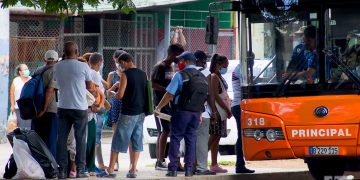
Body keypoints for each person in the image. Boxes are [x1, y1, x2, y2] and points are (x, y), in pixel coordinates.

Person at [155, 51, 208, 177]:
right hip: (195, 113)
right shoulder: (202, 76)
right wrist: (199, 113)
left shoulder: (180, 75)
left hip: (181, 112)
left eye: (180, 61)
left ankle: (172, 168)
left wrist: (158, 107)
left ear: (186, 61)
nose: (178, 63)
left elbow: (169, 94)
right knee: (191, 140)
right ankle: (189, 169)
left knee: (175, 138)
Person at [99, 53, 147, 178]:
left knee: (118, 139)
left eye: (120, 64)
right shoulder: (143, 74)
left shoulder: (126, 75)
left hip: (128, 112)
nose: (119, 66)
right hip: (140, 112)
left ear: (126, 62)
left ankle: (110, 170)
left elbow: (120, 95)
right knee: (136, 140)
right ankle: (133, 169)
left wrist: (113, 94)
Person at [54, 41, 93, 179]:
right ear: (76, 51)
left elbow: (56, 84)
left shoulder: (57, 66)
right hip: (80, 108)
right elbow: (89, 86)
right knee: (80, 139)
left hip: (63, 106)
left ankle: (62, 171)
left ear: (64, 52)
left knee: (62, 139)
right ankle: (81, 170)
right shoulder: (83, 66)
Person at [151, 44, 184, 170]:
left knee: (167, 130)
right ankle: (160, 160)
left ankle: (162, 159)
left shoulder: (172, 67)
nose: (180, 58)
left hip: (170, 103)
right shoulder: (160, 66)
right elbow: (152, 84)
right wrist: (167, 90)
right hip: (161, 102)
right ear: (173, 54)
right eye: (178, 55)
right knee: (165, 130)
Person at [31, 50, 59, 158]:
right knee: (50, 140)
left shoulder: (37, 70)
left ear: (44, 59)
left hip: (35, 109)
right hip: (49, 110)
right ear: (56, 60)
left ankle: (38, 163)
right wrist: (44, 108)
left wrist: (40, 109)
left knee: (37, 139)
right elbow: (50, 90)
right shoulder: (55, 71)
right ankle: (50, 166)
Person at [193, 50, 216, 175]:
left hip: (187, 111)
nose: (205, 62)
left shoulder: (186, 71)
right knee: (202, 140)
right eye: (204, 60)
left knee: (190, 139)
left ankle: (190, 165)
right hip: (203, 112)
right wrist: (213, 112)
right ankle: (202, 167)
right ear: (199, 60)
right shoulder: (206, 73)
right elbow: (210, 94)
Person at [208, 54, 232, 173]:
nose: (226, 68)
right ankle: (198, 161)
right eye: (225, 66)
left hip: (221, 110)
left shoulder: (217, 76)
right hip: (218, 111)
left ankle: (214, 163)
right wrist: (225, 110)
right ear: (218, 65)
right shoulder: (214, 77)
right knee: (213, 136)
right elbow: (215, 95)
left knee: (216, 137)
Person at [231, 60, 255, 174]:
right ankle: (239, 165)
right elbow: (246, 87)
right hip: (238, 105)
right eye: (252, 61)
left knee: (241, 136)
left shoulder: (240, 69)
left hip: (237, 105)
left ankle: (240, 164)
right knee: (241, 137)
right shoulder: (241, 69)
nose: (253, 64)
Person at [87, 52, 107, 176]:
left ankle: (92, 165)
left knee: (93, 138)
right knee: (95, 138)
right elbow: (96, 92)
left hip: (92, 107)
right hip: (95, 109)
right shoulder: (94, 74)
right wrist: (100, 104)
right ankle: (92, 166)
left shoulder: (91, 72)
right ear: (99, 62)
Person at [106, 49, 126, 171]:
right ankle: (115, 162)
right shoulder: (112, 75)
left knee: (129, 135)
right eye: (115, 61)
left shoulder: (129, 73)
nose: (117, 64)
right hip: (116, 105)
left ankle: (132, 165)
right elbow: (108, 93)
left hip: (127, 105)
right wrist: (115, 85)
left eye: (119, 61)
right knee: (115, 134)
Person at [10, 63, 32, 129]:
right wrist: (12, 105)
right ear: (20, 72)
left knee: (29, 127)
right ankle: (20, 139)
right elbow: (11, 93)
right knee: (20, 127)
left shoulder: (32, 80)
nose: (27, 70)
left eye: (27, 69)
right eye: (25, 69)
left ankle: (27, 139)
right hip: (18, 108)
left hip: (30, 108)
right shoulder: (16, 80)